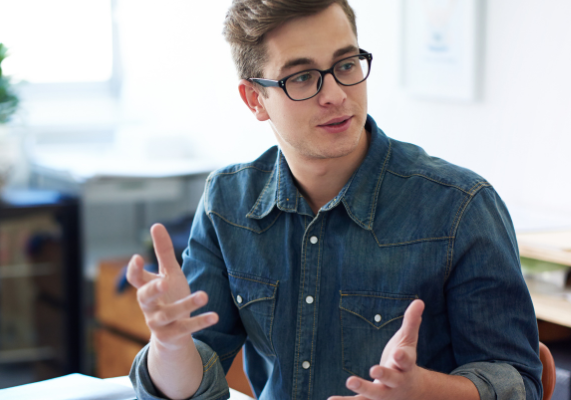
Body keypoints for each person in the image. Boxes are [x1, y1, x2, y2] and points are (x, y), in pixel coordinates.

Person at [124, 1, 542, 399]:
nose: (337, 94)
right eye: (303, 77)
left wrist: (424, 392)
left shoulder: (461, 207)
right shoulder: (227, 202)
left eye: (346, 65)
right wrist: (171, 344)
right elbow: (188, 388)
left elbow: (520, 382)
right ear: (255, 99)